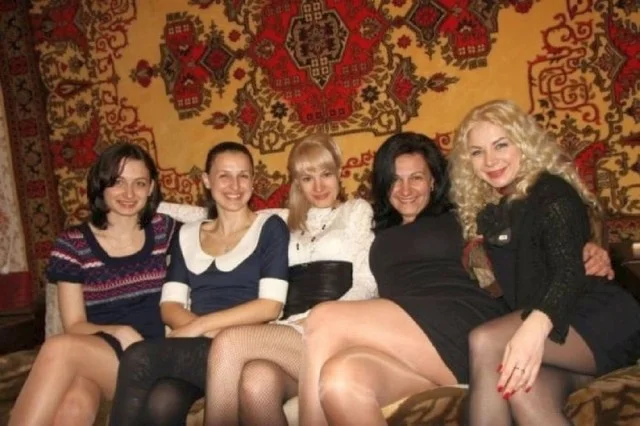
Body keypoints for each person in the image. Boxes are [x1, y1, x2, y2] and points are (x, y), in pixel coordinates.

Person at [297, 132, 614, 426]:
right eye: (395, 180)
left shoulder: (465, 213)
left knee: (324, 318)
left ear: (433, 180)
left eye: (416, 178)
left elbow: (534, 236)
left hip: (462, 327)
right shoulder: (371, 229)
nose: (405, 190)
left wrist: (586, 248)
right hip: (410, 348)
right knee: (340, 381)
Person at [449, 99, 640, 426]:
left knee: (485, 340)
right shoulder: (490, 210)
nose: (490, 160)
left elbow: (568, 272)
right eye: (477, 152)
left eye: (501, 145)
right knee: (522, 391)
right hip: (559, 337)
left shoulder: (551, 191)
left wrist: (532, 329)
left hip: (595, 319)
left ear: (523, 143)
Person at [107, 141, 289, 426]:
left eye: (243, 176)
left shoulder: (270, 228)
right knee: (162, 402)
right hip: (198, 349)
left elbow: (270, 306)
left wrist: (202, 327)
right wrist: (203, 331)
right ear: (206, 180)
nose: (235, 186)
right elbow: (169, 306)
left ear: (253, 181)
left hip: (246, 346)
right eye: (224, 175)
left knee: (139, 356)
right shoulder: (187, 234)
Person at [204, 133, 377, 426]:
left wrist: (316, 318)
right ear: (297, 182)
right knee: (256, 382)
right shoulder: (283, 220)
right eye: (307, 178)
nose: (319, 186)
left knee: (229, 341)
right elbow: (220, 212)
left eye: (326, 174)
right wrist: (146, 203)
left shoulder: (355, 211)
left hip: (335, 332)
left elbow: (366, 284)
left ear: (339, 173)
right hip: (291, 332)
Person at [9, 143, 177, 426]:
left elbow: (218, 236)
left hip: (150, 354)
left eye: (139, 183)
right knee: (73, 407)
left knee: (59, 348)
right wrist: (118, 331)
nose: (129, 193)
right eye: (118, 182)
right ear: (101, 184)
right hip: (98, 355)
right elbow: (75, 325)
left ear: (151, 188)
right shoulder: (72, 244)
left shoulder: (166, 230)